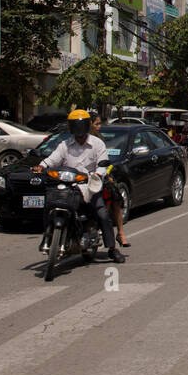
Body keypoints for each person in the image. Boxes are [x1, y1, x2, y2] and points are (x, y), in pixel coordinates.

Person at [34, 109, 124, 263]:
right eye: (75, 125)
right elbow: (52, 159)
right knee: (50, 206)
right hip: (68, 187)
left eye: (81, 124)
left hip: (89, 186)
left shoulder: (97, 144)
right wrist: (42, 166)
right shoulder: (65, 145)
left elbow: (103, 163)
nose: (79, 129)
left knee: (102, 214)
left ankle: (112, 248)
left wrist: (98, 174)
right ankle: (48, 236)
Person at [90, 113, 129, 248]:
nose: (99, 127)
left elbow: (104, 161)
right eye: (97, 124)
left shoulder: (99, 140)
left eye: (99, 123)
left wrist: (106, 174)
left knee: (115, 196)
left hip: (99, 175)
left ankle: (120, 233)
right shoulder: (77, 140)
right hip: (82, 177)